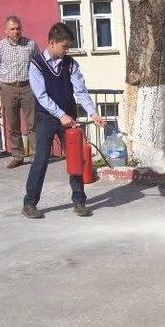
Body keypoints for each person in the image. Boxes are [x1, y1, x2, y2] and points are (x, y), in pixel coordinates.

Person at [22, 22, 106, 219]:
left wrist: (93, 113)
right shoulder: (36, 65)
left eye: (68, 47)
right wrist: (61, 115)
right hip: (46, 118)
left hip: (69, 118)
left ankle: (79, 201)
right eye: (64, 46)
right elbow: (41, 96)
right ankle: (30, 203)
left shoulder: (71, 65)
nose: (67, 50)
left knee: (75, 159)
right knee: (41, 160)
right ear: (52, 43)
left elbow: (80, 91)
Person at [0, 16, 39, 169]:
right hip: (9, 88)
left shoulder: (30, 44)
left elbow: (37, 64)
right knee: (13, 124)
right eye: (12, 29)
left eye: (18, 28)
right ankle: (18, 156)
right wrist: (7, 80)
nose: (16, 31)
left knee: (32, 123)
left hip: (27, 87)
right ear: (6, 30)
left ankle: (35, 155)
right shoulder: (0, 47)